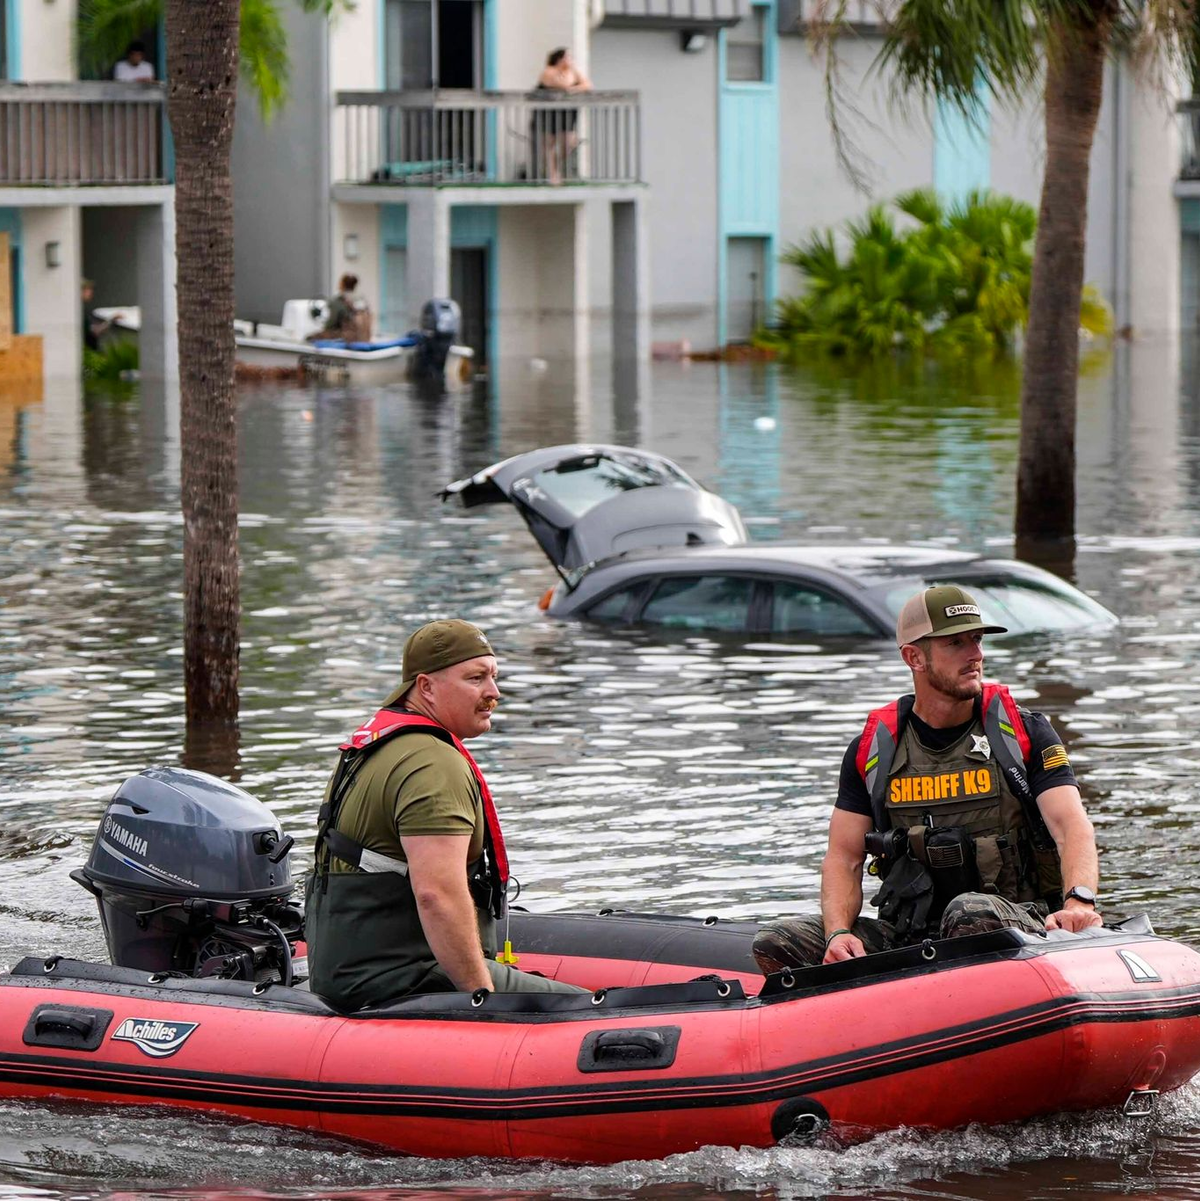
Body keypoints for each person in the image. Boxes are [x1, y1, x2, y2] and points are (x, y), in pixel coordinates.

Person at [752, 584, 1103, 973]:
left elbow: (1071, 827)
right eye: (956, 643)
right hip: (910, 934)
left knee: (969, 913)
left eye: (977, 639)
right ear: (914, 657)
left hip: (1017, 924)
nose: (976, 655)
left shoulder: (1024, 733)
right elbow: (844, 858)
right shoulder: (873, 750)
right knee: (778, 941)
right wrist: (838, 934)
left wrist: (1079, 903)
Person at [306, 619, 586, 1010]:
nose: (494, 693)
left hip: (350, 972)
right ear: (425, 687)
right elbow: (436, 894)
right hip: (405, 976)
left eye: (493, 677)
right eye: (476, 678)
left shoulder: (379, 746)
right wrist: (482, 999)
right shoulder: (432, 764)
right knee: (597, 1011)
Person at [532, 48, 591, 185]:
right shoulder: (549, 71)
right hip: (549, 111)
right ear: (559, 59)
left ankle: (557, 168)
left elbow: (587, 84)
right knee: (550, 144)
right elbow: (561, 85)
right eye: (567, 57)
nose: (570, 60)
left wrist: (574, 88)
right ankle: (553, 175)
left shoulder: (573, 71)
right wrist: (574, 85)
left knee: (568, 142)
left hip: (567, 112)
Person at [309, 273, 372, 343]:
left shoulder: (339, 300)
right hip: (364, 339)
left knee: (310, 338)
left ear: (342, 284)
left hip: (346, 339)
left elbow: (331, 324)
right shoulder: (362, 300)